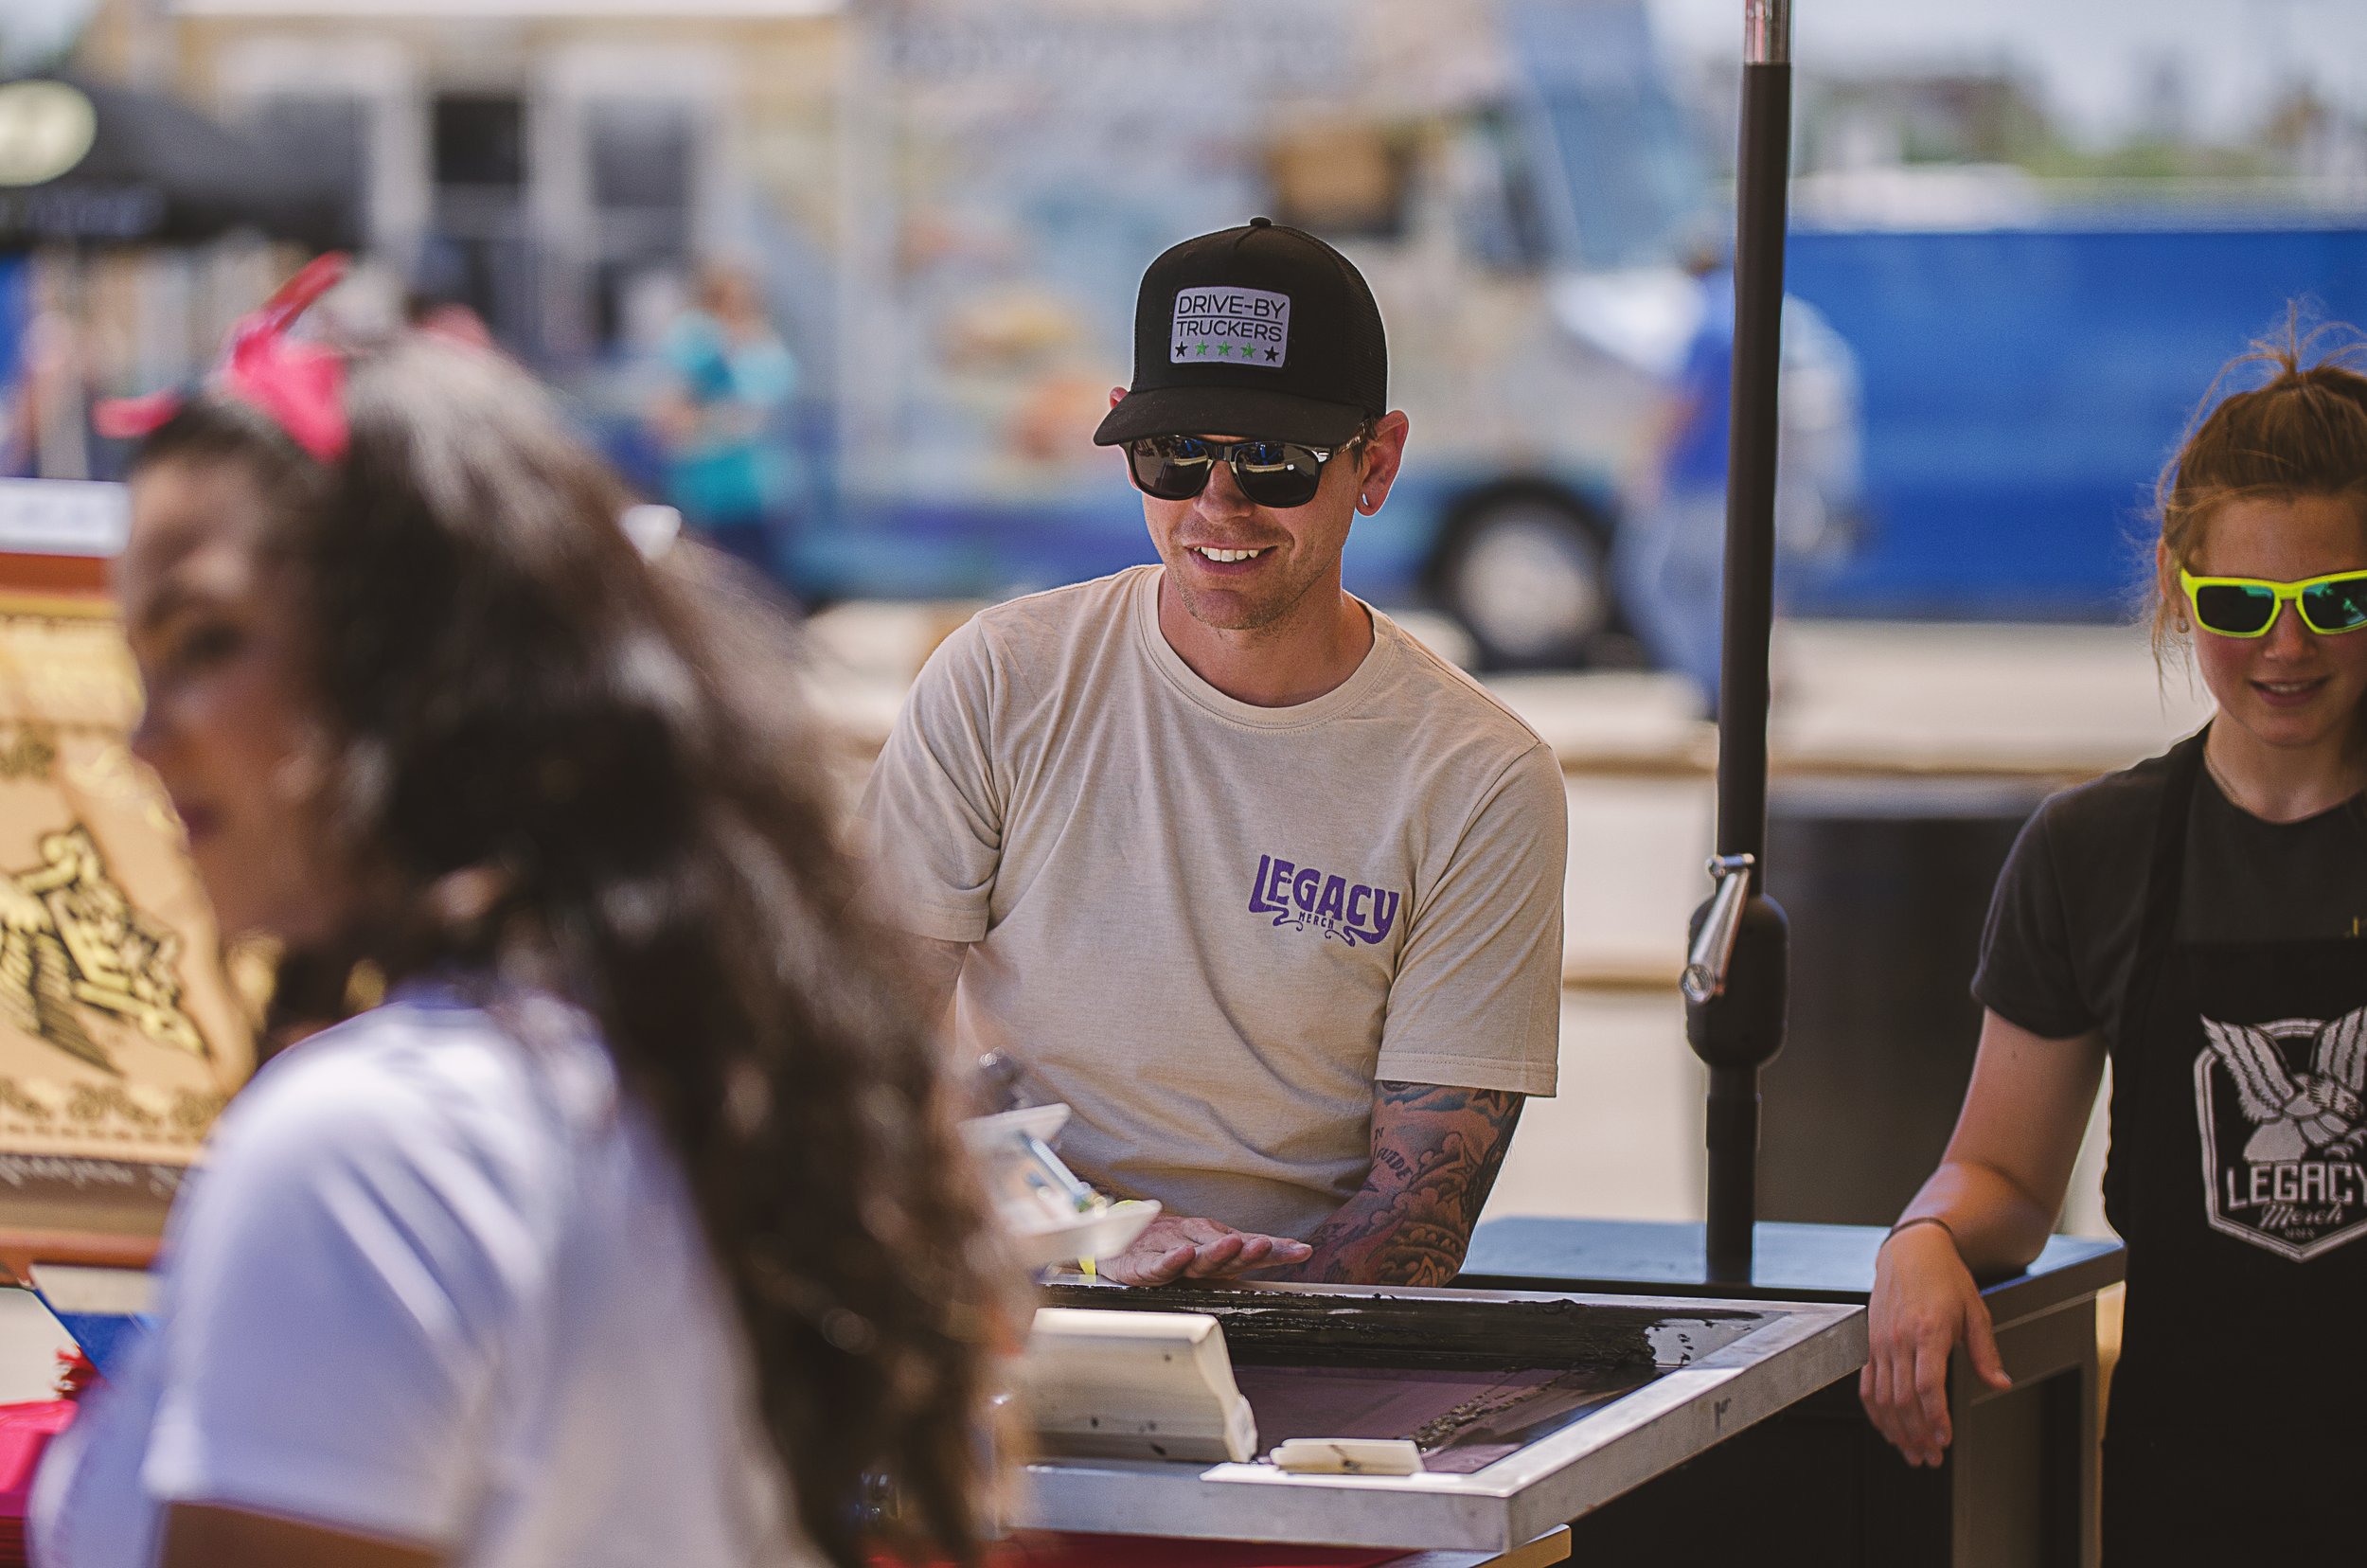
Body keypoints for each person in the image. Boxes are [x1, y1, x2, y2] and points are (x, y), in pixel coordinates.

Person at [32, 259, 1011, 1568]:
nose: (148, 739)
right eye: (143, 664)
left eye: (208, 643)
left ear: (413, 663)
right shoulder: (717, 1085)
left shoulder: (373, 1152)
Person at [858, 219, 1568, 1291]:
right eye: (1173, 453)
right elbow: (855, 1056)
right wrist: (1087, 1234)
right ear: (1121, 438)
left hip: (1320, 1324)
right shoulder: (1001, 676)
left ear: (1374, 465)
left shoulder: (1479, 774)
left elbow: (1417, 1216)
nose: (1215, 504)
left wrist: (1245, 1318)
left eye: (1273, 463)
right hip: (1015, 1289)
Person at [1860, 332, 2367, 1560]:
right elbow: (2008, 1180)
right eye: (2243, 606)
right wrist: (1919, 1243)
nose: (2286, 649)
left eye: (2337, 602)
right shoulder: (2094, 853)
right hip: (2197, 1496)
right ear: (2178, 587)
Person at [648, 263, 799, 576]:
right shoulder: (692, 338)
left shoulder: (766, 352)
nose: (736, 308)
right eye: (728, 299)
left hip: (751, 496)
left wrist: (701, 422)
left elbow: (748, 417)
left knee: (756, 585)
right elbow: (669, 417)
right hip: (698, 495)